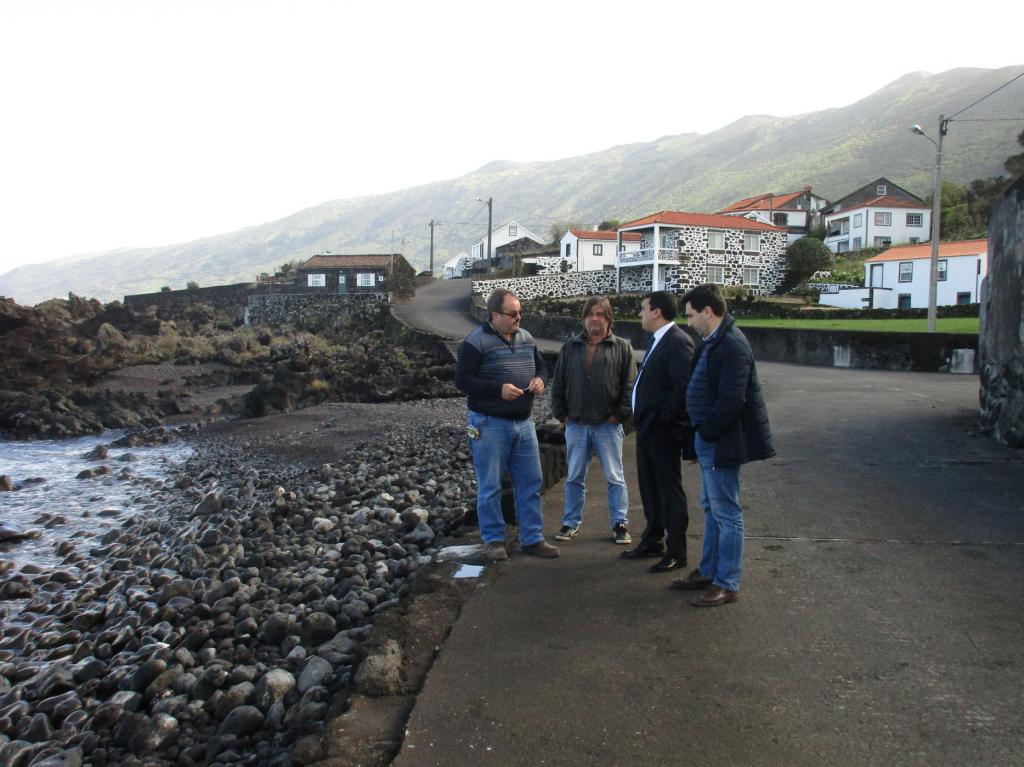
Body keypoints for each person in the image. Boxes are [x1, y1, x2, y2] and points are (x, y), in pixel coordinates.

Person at [672, 283, 775, 607]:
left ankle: (726, 582)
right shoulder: (715, 341)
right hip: (711, 438)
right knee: (712, 508)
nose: (688, 323)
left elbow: (732, 399)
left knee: (726, 512)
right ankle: (709, 571)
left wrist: (708, 432)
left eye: (690, 316)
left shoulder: (731, 344)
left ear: (707, 311)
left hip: (719, 440)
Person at [455, 288, 560, 562]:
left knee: (531, 481)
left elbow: (542, 368)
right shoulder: (475, 342)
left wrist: (540, 381)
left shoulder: (526, 338)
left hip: (523, 423)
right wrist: (497, 390)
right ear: (494, 315)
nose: (519, 318)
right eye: (513, 314)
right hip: (489, 424)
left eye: (519, 312)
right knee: (490, 484)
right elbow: (463, 381)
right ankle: (493, 541)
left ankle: (532, 538)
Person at [549, 295, 637, 544]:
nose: (594, 319)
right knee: (574, 475)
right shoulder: (570, 347)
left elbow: (629, 386)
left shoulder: (622, 347)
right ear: (584, 318)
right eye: (590, 314)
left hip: (607, 425)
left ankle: (620, 523)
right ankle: (570, 522)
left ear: (608, 318)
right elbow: (560, 382)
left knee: (615, 476)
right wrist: (561, 412)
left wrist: (618, 415)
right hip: (576, 423)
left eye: (600, 314)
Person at [620, 291, 695, 573]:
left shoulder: (678, 342)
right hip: (648, 428)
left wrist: (663, 421)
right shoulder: (659, 340)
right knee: (650, 488)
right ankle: (653, 540)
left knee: (669, 490)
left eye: (643, 309)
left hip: (662, 431)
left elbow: (682, 389)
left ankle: (677, 551)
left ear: (657, 311)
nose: (640, 314)